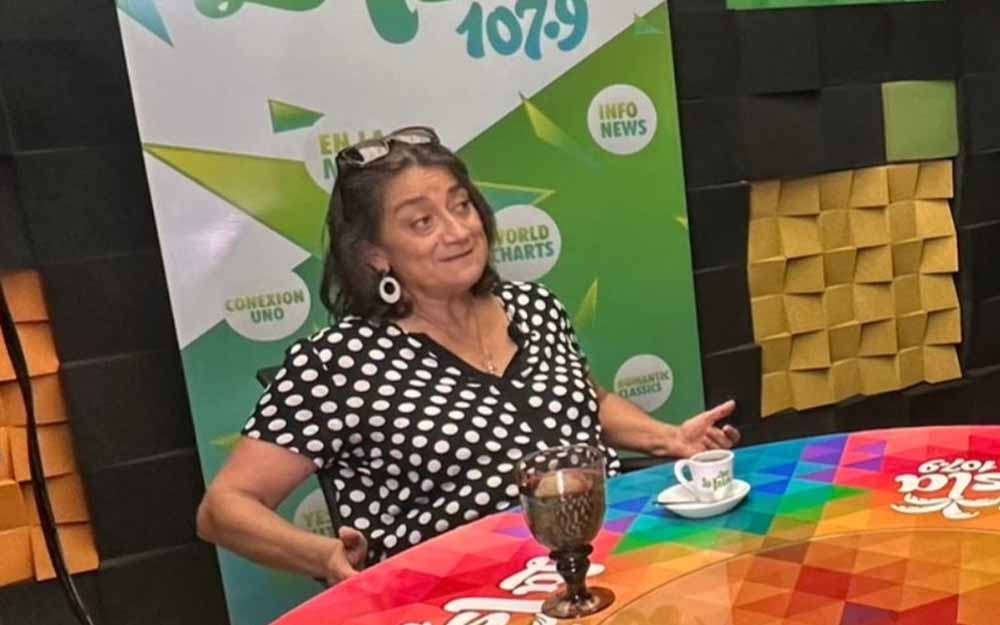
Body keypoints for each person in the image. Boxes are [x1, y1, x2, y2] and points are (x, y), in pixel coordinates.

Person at [197, 126, 740, 586]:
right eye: (422, 222)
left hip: (614, 563)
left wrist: (668, 438)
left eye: (461, 206)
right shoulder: (338, 364)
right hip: (465, 597)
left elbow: (584, 404)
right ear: (374, 254)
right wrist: (323, 557)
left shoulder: (535, 307)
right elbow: (224, 508)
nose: (458, 231)